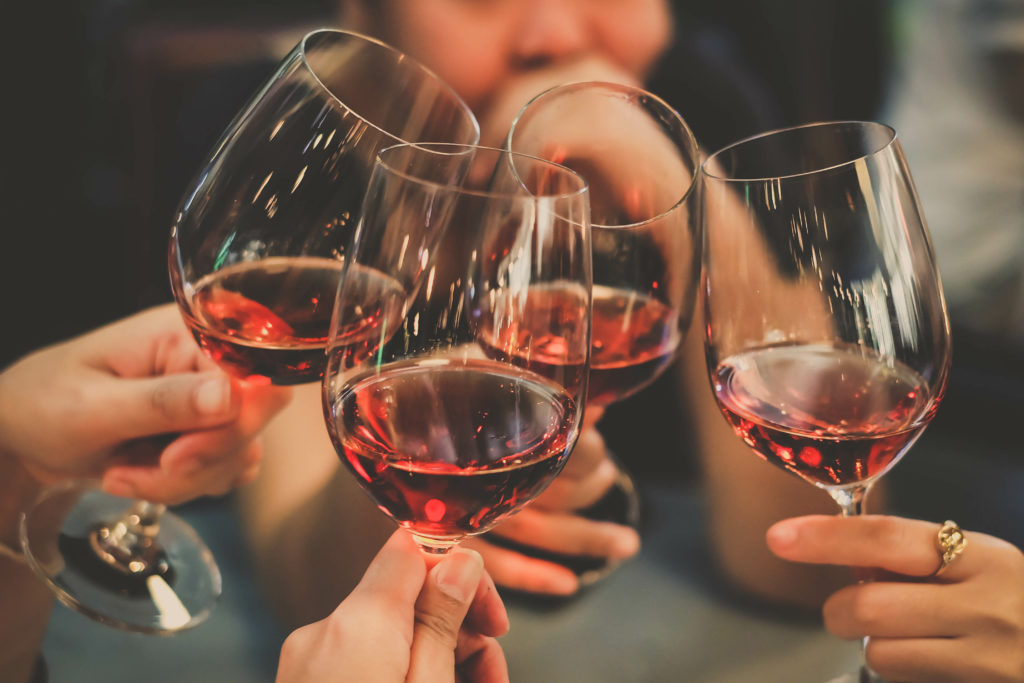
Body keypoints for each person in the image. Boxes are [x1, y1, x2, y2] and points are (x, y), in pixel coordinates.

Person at [224, 1, 1020, 680]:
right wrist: (443, 500)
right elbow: (310, 591)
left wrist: (692, 193)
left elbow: (807, 564)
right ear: (365, 9)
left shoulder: (701, 96)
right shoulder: (320, 139)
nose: (556, 35)